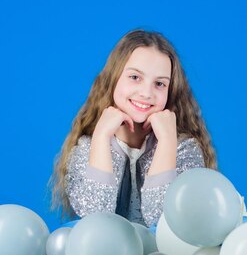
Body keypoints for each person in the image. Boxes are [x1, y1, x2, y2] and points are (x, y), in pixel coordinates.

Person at [51, 29, 217, 226]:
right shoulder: (88, 147)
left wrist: (167, 142)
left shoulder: (183, 149)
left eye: (159, 84)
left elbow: (164, 221)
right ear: (114, 79)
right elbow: (94, 220)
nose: (146, 93)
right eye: (135, 77)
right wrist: (102, 137)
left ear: (170, 90)